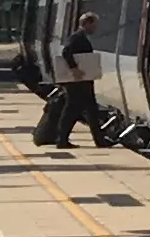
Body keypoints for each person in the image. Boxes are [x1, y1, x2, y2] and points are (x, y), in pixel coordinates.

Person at [38, 17, 102, 151]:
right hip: (77, 82)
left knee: (91, 110)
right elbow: (66, 52)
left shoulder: (80, 37)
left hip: (83, 81)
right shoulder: (76, 37)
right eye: (94, 25)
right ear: (86, 24)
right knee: (72, 110)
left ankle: (99, 139)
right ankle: (61, 139)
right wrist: (74, 69)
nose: (95, 28)